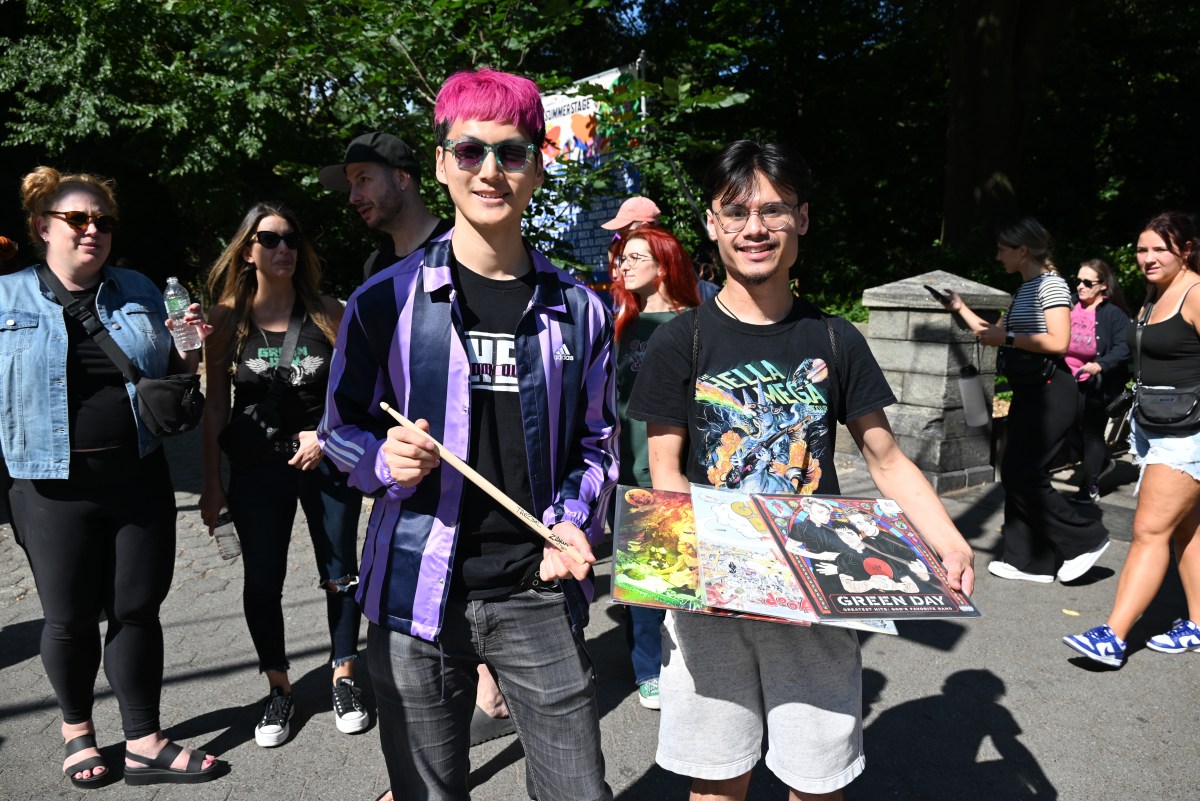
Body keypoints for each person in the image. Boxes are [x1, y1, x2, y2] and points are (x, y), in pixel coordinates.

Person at [626, 140, 974, 801]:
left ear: (802, 219)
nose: (754, 227)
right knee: (717, 776)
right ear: (712, 223)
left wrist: (947, 537)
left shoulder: (837, 338)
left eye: (773, 209)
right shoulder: (682, 338)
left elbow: (886, 456)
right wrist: (670, 575)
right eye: (736, 211)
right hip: (713, 596)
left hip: (816, 590)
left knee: (817, 778)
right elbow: (665, 471)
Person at [319, 68, 618, 801]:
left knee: (578, 791)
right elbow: (339, 429)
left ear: (539, 165)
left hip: (535, 591)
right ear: (440, 164)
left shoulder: (581, 311)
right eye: (469, 151)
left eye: (512, 152)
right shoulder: (382, 302)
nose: (490, 170)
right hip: (411, 593)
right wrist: (381, 460)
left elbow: (599, 445)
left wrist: (577, 520)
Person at [1, 167, 220, 786]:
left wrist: (191, 347)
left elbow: (175, 373)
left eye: (103, 220)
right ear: (43, 228)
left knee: (137, 610)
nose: (93, 229)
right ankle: (77, 733)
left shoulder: (139, 288)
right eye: (77, 219)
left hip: (138, 475)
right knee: (67, 617)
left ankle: (145, 739)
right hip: (48, 486)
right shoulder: (6, 297)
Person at [319, 132, 514, 752]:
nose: (353, 195)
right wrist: (379, 456)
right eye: (349, 183)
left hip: (502, 529)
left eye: (363, 178)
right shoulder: (379, 279)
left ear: (406, 176)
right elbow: (349, 416)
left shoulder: (472, 255)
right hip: (418, 523)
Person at [200, 203, 366, 747]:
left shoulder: (327, 312)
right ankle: (279, 688)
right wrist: (211, 482)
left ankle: (344, 675)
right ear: (247, 250)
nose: (283, 249)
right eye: (269, 239)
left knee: (341, 570)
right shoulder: (225, 320)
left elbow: (359, 392)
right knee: (262, 581)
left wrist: (327, 435)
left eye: (291, 239)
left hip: (326, 460)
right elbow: (215, 409)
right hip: (256, 468)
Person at [937, 218, 1111, 584]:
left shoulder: (1052, 287)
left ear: (1023, 251)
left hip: (1052, 392)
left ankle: (1084, 539)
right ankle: (1028, 560)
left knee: (1023, 472)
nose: (998, 255)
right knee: (1015, 473)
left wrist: (1010, 338)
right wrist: (959, 307)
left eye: (1003, 249)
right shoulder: (1026, 289)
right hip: (1031, 392)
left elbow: (1058, 341)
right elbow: (994, 334)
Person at [1064, 212, 1200, 667]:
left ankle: (1114, 636)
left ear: (1186, 249)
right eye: (1142, 249)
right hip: (1156, 425)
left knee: (1148, 531)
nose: (1148, 258)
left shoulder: (1196, 293)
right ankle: (1198, 624)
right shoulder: (1154, 297)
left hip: (1188, 434)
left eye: (1160, 249)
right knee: (1186, 530)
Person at [611, 225, 700, 710]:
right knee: (643, 583)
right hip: (628, 466)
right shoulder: (623, 324)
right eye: (623, 258)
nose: (623, 265)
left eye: (635, 257)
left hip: (682, 470)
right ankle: (648, 669)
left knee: (681, 574)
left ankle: (689, 660)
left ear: (664, 264)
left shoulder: (695, 327)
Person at [318, 132, 453, 281]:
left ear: (401, 178)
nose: (353, 198)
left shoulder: (461, 244)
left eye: (363, 179)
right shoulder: (374, 267)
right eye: (351, 185)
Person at [1063, 258, 1131, 504]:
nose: (1080, 286)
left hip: (1098, 383)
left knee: (1092, 432)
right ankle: (1101, 461)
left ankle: (1091, 483)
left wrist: (1100, 364)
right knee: (1063, 427)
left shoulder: (1113, 314)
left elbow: (1125, 347)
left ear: (1103, 285)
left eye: (1087, 282)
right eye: (1078, 280)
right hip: (1066, 379)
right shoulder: (1069, 304)